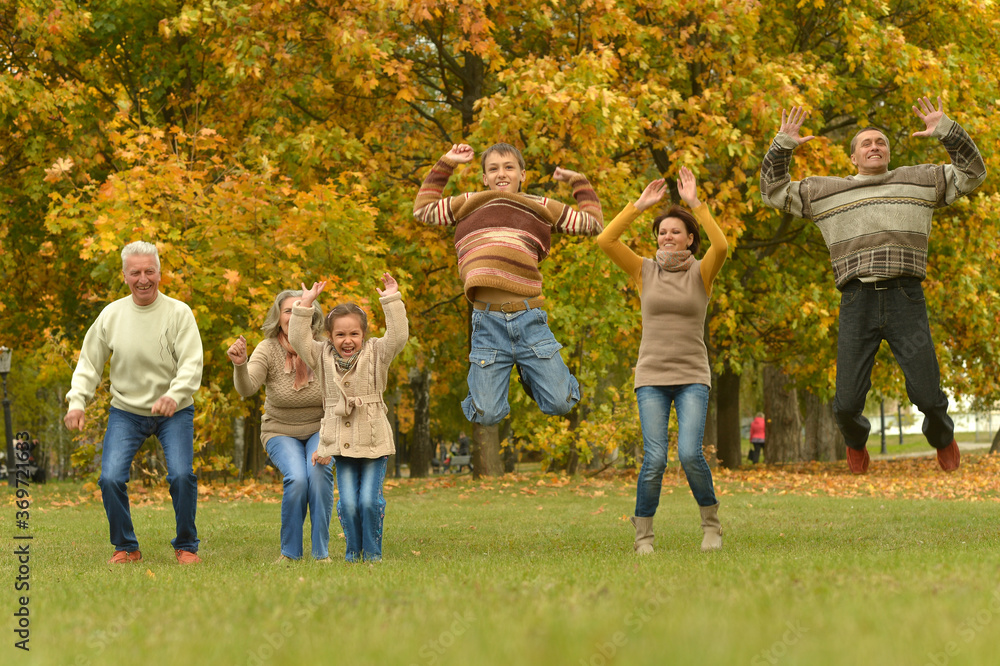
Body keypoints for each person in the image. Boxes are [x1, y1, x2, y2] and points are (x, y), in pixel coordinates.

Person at [760, 95, 987, 474]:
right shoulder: (824, 192)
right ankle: (856, 442)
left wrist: (947, 130)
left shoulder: (922, 179)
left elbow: (973, 173)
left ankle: (942, 438)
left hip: (905, 300)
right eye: (866, 143)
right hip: (857, 302)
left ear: (888, 152)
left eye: (880, 141)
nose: (874, 146)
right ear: (853, 158)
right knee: (846, 403)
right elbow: (773, 192)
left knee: (928, 395)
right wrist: (782, 145)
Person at [413, 142, 603, 425]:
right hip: (487, 323)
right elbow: (423, 210)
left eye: (509, 167)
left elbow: (593, 224)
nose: (501, 174)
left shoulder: (540, 206)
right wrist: (447, 162)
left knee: (561, 403)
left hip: (529, 318)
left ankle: (529, 373)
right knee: (486, 414)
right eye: (493, 169)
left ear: (522, 174)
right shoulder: (469, 202)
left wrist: (578, 181)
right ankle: (492, 382)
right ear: (484, 178)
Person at [596, 167, 728, 553]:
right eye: (662, 231)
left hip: (691, 375)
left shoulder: (703, 273)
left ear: (690, 238)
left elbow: (720, 247)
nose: (667, 236)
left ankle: (711, 526)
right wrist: (637, 206)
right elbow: (606, 240)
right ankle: (644, 536)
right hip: (651, 375)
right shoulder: (644, 270)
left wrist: (695, 204)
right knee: (654, 458)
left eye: (675, 231)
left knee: (689, 453)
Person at [64, 241, 203, 564]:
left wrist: (175, 394)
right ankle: (126, 546)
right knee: (110, 477)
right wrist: (77, 402)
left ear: (160, 273)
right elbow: (89, 363)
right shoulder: (111, 315)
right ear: (125, 276)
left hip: (174, 411)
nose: (143, 279)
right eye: (136, 272)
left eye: (149, 271)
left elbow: (192, 363)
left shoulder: (178, 312)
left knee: (182, 475)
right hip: (126, 411)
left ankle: (186, 546)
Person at [290, 273, 408, 562]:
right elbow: (297, 338)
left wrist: (391, 299)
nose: (347, 340)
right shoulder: (321, 355)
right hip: (340, 440)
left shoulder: (377, 352)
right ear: (330, 336)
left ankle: (373, 553)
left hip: (372, 438)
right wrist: (305, 306)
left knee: (368, 500)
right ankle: (353, 551)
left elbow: (398, 335)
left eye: (354, 334)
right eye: (340, 334)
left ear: (363, 334)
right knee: (350, 503)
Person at [227, 289, 334, 563]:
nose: (294, 314)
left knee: (319, 473)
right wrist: (240, 365)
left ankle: (321, 554)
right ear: (278, 317)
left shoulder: (322, 347)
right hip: (279, 430)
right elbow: (247, 388)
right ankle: (290, 554)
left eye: (301, 308)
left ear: (311, 314)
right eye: (288, 310)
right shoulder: (268, 348)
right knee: (297, 479)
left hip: (320, 427)